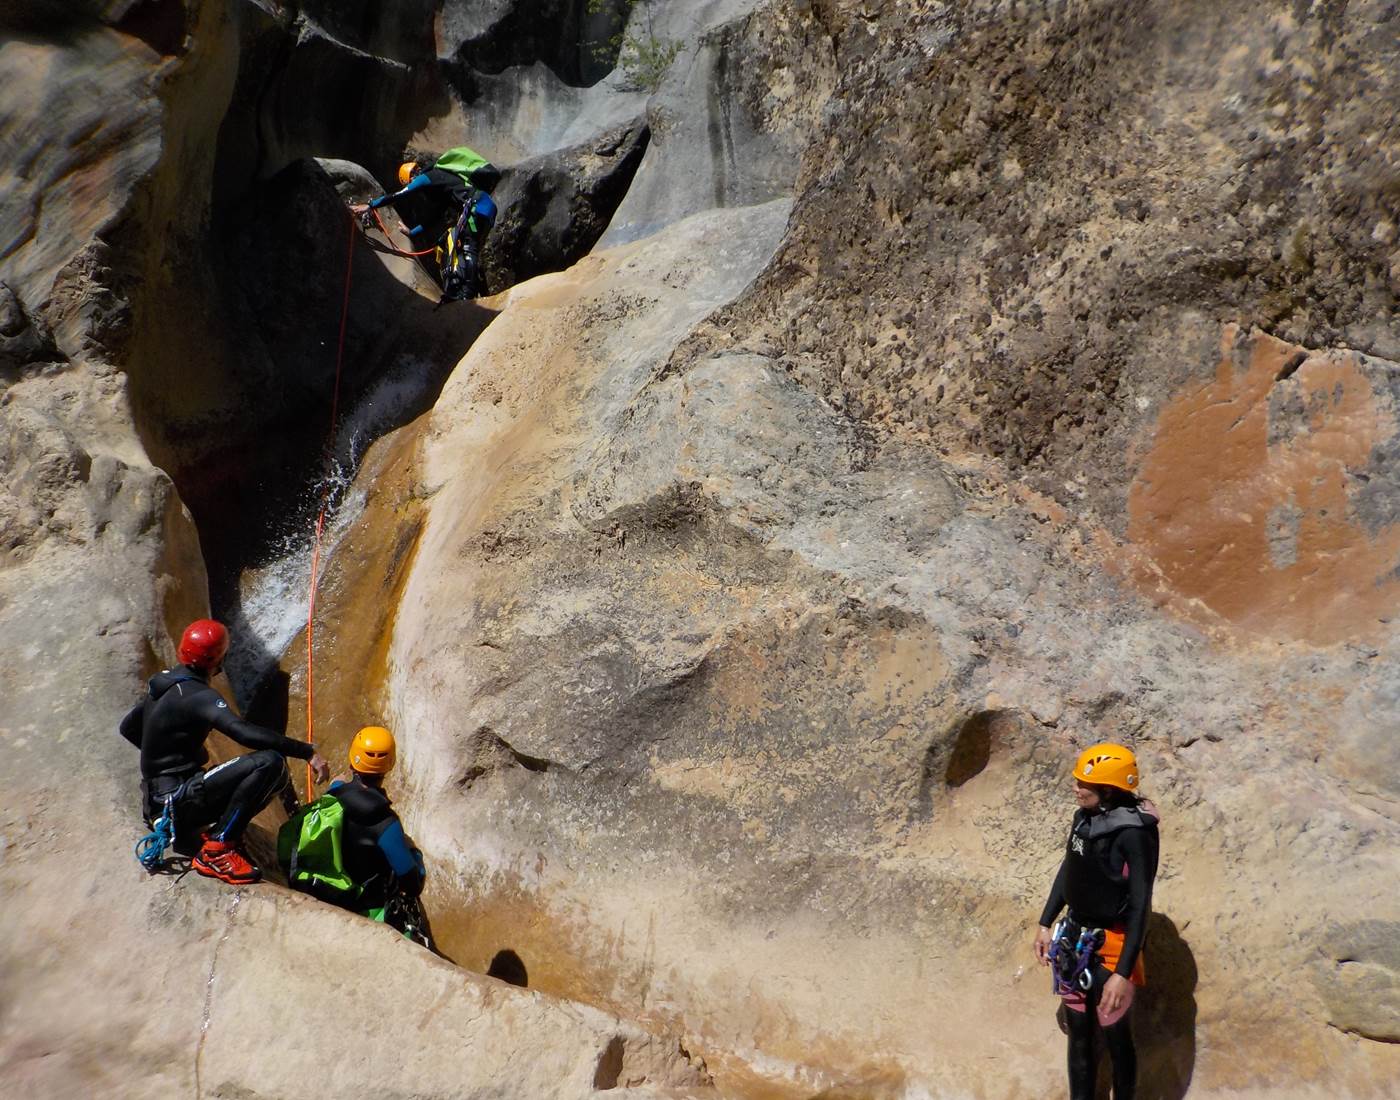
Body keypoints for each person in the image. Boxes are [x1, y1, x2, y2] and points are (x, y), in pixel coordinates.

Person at [119, 619, 329, 885]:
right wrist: (306, 751)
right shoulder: (199, 696)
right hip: (178, 804)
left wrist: (166, 757)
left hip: (159, 801)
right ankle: (218, 849)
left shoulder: (163, 683)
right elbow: (244, 733)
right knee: (270, 764)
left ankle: (219, 836)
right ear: (219, 659)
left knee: (262, 767)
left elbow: (128, 728)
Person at [1033, 742, 1160, 1100]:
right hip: (1074, 939)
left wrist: (1122, 973)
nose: (1075, 789)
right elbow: (1069, 870)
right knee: (1079, 1038)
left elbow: (1140, 905)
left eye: (1082, 784)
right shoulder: (1084, 818)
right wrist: (1046, 922)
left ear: (1107, 790)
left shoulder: (1134, 834)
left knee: (1117, 1040)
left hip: (1113, 946)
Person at [285, 726, 428, 942]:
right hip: (362, 903)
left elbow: (342, 784)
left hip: (327, 887)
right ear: (390, 765)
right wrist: (414, 852)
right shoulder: (386, 823)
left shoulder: (335, 791)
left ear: (353, 759)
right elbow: (413, 885)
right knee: (411, 860)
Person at [351, 146, 501, 302]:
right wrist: (412, 233)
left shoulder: (426, 177)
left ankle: (466, 293)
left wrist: (370, 205)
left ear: (409, 179)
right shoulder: (442, 183)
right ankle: (477, 291)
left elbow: (400, 195)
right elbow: (434, 217)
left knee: (467, 247)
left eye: (409, 182)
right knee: (467, 246)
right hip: (485, 207)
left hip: (476, 206)